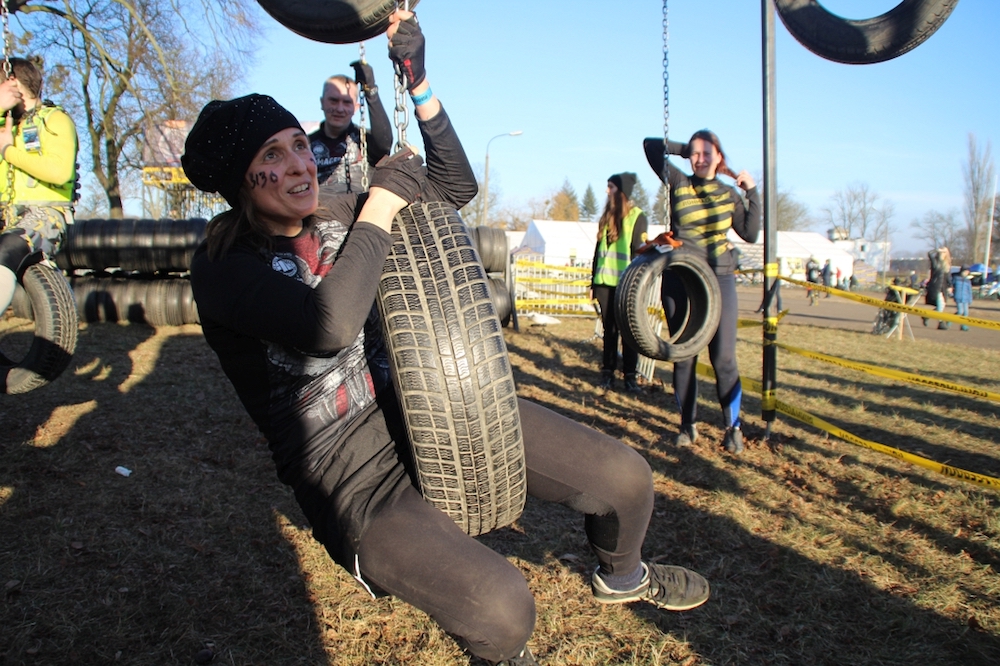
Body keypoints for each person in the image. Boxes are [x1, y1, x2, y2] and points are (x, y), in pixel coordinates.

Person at [183, 13, 709, 666]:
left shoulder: (336, 212)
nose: (298, 165)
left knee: (627, 480)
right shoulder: (223, 265)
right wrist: (380, 205)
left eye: (297, 144)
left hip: (433, 402)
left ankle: (623, 575)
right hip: (350, 473)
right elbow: (328, 326)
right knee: (503, 609)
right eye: (272, 156)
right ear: (240, 181)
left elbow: (456, 186)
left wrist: (420, 83)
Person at [643, 130, 761, 455]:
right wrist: (687, 149)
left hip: (719, 278)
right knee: (683, 355)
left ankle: (733, 427)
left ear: (719, 156)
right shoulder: (679, 182)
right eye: (695, 154)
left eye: (707, 153)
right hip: (681, 277)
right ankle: (687, 425)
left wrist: (752, 192)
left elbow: (750, 233)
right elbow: (651, 146)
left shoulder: (728, 194)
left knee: (724, 358)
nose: (700, 158)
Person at [0, 56, 78, 317]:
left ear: (12, 83)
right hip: (6, 213)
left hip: (44, 215)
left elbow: (59, 171)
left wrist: (8, 151)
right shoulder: (5, 124)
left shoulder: (55, 120)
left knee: (7, 247)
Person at [590, 172, 647, 393]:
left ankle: (630, 376)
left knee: (628, 332)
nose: (607, 191)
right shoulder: (606, 217)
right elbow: (598, 252)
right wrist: (593, 283)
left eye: (611, 187)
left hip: (626, 284)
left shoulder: (637, 217)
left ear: (622, 192)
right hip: (604, 283)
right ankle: (607, 373)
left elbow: (639, 252)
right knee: (609, 331)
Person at [308, 59, 392, 193]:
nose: (339, 109)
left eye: (347, 102)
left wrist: (371, 91)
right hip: (318, 205)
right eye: (333, 101)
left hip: (358, 205)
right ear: (322, 102)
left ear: (356, 107)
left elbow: (384, 145)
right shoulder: (305, 145)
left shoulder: (365, 140)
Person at [923, 247, 951, 329]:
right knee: (940, 304)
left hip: (943, 287)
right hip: (935, 286)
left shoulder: (946, 264)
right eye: (941, 252)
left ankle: (926, 316)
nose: (942, 254)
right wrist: (937, 250)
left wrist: (950, 286)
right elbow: (929, 253)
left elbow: (947, 277)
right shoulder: (935, 261)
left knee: (941, 305)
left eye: (944, 252)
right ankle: (941, 323)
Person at [952, 265, 972, 331]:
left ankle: (964, 326)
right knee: (960, 311)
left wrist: (970, 299)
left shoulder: (968, 281)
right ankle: (949, 320)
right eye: (965, 271)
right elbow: (951, 286)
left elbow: (969, 291)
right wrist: (952, 294)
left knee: (966, 313)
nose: (966, 273)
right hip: (958, 297)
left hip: (966, 299)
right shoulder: (956, 278)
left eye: (967, 272)